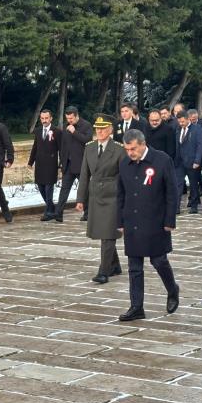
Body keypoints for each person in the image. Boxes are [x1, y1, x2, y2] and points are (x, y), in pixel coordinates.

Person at [116, 129, 179, 322]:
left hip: (155, 220)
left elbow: (172, 192)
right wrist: (120, 220)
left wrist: (170, 220)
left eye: (133, 149)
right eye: (127, 149)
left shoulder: (161, 160)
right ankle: (136, 307)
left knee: (158, 260)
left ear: (143, 144)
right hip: (132, 221)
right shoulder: (124, 163)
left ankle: (172, 289)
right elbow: (121, 194)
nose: (130, 153)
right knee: (134, 266)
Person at [77, 116, 126, 284]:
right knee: (103, 232)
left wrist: (125, 198)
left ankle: (103, 272)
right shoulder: (89, 148)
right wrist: (80, 198)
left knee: (108, 234)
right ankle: (115, 265)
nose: (100, 131)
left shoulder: (119, 149)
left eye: (103, 129)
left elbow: (124, 176)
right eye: (97, 128)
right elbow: (84, 174)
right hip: (95, 195)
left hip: (112, 195)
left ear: (111, 130)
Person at [55, 106, 93, 222]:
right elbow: (63, 146)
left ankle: (87, 213)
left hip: (81, 164)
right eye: (67, 118)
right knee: (64, 189)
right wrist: (62, 162)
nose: (69, 120)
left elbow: (88, 141)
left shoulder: (86, 125)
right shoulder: (66, 127)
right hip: (68, 164)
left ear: (76, 115)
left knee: (85, 189)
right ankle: (58, 214)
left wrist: (74, 132)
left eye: (71, 118)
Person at [28, 109, 61, 220]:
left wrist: (61, 164)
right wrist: (30, 162)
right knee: (41, 187)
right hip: (40, 164)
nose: (44, 120)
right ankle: (52, 208)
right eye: (42, 118)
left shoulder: (56, 131)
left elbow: (61, 149)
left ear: (51, 118)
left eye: (46, 118)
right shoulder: (37, 131)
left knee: (48, 188)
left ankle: (48, 213)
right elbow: (35, 147)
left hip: (51, 165)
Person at [174, 111, 202, 214]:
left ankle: (194, 205)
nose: (181, 124)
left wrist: (197, 160)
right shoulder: (178, 129)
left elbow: (200, 145)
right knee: (178, 184)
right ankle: (176, 207)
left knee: (193, 184)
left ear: (188, 119)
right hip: (179, 162)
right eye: (179, 122)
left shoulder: (197, 129)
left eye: (183, 121)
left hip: (192, 161)